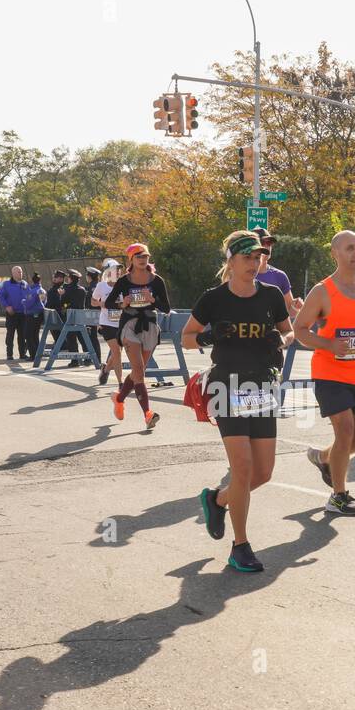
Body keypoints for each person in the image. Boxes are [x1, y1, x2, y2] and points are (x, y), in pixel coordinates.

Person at [182, 230, 294, 572]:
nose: (255, 262)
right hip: (226, 386)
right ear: (230, 261)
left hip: (261, 387)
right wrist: (209, 336)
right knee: (242, 469)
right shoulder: (214, 298)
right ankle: (240, 546)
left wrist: (282, 340)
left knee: (263, 473)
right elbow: (186, 338)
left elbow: (289, 331)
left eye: (258, 256)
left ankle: (216, 499)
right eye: (247, 257)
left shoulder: (272, 295)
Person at [292, 230, 355, 515]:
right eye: (349, 248)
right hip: (329, 370)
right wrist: (330, 344)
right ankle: (339, 495)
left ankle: (323, 458)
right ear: (335, 253)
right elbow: (299, 330)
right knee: (344, 432)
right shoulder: (323, 291)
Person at [105, 242, 171, 430]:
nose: (143, 260)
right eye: (139, 256)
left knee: (137, 372)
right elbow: (109, 303)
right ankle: (148, 415)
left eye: (146, 256)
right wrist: (122, 304)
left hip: (149, 325)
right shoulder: (124, 281)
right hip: (130, 325)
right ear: (131, 259)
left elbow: (166, 308)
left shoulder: (157, 280)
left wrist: (152, 300)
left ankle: (119, 399)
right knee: (139, 371)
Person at [252, 227, 302, 319]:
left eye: (269, 243)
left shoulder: (280, 276)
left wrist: (296, 307)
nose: (267, 246)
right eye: (263, 243)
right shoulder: (243, 275)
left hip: (274, 332)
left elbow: (289, 314)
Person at [92, 260, 124, 387]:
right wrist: (102, 304)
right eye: (115, 269)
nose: (118, 272)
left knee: (118, 352)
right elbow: (93, 301)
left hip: (121, 323)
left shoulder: (123, 286)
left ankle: (105, 370)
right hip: (106, 323)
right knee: (116, 351)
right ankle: (121, 383)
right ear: (108, 272)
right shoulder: (101, 286)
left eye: (119, 270)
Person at [0, 266, 29, 360]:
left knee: (22, 335)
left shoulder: (25, 284)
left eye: (21, 271)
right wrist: (7, 306)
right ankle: (9, 354)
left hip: (23, 314)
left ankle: (22, 354)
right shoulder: (6, 284)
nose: (20, 273)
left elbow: (29, 297)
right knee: (10, 334)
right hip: (12, 313)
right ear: (13, 273)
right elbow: (0, 296)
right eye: (18, 272)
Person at [26, 271, 50, 362]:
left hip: (32, 315)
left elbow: (29, 303)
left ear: (33, 281)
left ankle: (33, 355)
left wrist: (24, 302)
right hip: (40, 315)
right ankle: (37, 353)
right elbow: (44, 302)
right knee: (35, 335)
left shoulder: (33, 291)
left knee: (29, 335)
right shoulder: (42, 290)